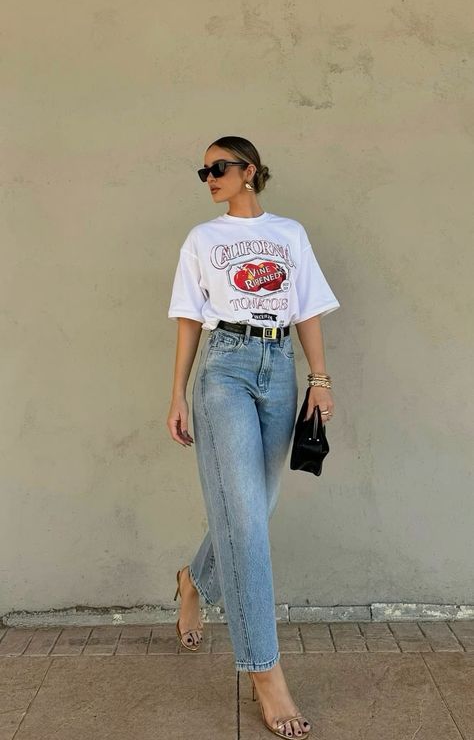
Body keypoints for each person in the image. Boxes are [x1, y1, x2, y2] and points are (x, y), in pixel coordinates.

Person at [166, 135, 340, 739]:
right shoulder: (202, 239)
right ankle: (266, 675)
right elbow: (190, 316)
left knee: (254, 512)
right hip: (224, 369)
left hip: (280, 370)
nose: (209, 177)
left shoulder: (289, 233)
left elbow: (307, 307)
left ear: (251, 172)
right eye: (204, 170)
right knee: (245, 524)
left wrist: (319, 378)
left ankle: (195, 579)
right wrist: (176, 393)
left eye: (219, 168)